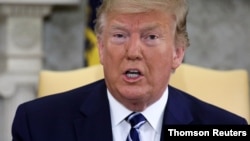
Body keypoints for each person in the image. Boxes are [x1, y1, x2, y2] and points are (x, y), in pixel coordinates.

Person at [11, 0, 248, 141]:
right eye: (119, 36)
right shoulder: (39, 125)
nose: (133, 51)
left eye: (151, 37)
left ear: (177, 53)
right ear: (101, 49)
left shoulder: (223, 130)